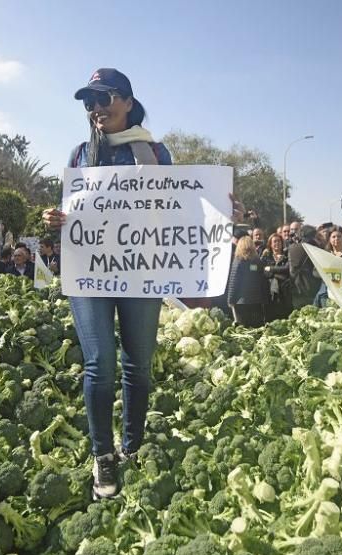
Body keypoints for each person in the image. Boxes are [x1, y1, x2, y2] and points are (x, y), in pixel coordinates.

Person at [41, 67, 244, 499]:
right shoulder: (81, 154)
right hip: (91, 274)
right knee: (100, 363)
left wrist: (223, 211)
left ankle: (130, 447)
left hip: (141, 270)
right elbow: (71, 210)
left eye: (104, 98)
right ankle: (103, 456)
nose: (95, 109)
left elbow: (182, 204)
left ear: (128, 102)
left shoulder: (155, 152)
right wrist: (54, 218)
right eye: (88, 102)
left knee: (138, 363)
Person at [261, 233, 292, 321]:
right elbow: (263, 272)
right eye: (274, 241)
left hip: (284, 293)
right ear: (270, 244)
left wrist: (270, 269)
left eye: (279, 241)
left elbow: (286, 269)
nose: (277, 243)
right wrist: (278, 273)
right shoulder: (266, 258)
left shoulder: (287, 256)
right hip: (270, 293)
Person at [287, 224, 320, 307]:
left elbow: (291, 269)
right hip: (313, 289)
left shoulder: (292, 248)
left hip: (296, 288)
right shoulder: (317, 248)